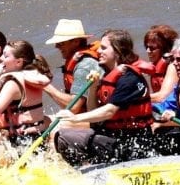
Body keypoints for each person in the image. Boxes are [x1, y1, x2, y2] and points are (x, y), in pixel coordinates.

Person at [53, 29, 154, 165]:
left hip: (132, 143)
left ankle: (95, 171)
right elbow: (93, 111)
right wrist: (94, 87)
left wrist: (75, 118)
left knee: (64, 137)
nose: (99, 51)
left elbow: (109, 111)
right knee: (62, 136)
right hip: (112, 136)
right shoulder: (107, 75)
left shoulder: (129, 78)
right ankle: (84, 171)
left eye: (104, 48)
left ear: (117, 51)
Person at [43, 19, 103, 114]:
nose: (56, 46)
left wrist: (43, 84)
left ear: (76, 42)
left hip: (99, 121)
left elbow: (74, 107)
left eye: (61, 43)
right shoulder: (80, 61)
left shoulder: (84, 66)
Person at [138, 24, 179, 103]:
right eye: (146, 47)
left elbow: (162, 97)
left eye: (152, 48)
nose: (148, 51)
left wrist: (132, 100)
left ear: (165, 49)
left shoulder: (173, 67)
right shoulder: (154, 66)